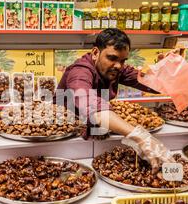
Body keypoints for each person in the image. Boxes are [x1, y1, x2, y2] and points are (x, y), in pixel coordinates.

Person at [56, 28, 174, 172]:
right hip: (66, 142)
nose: (118, 65)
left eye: (122, 60)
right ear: (95, 53)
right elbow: (93, 107)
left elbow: (151, 84)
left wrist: (165, 72)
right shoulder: (80, 72)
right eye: (112, 58)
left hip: (97, 136)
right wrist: (141, 137)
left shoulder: (117, 69)